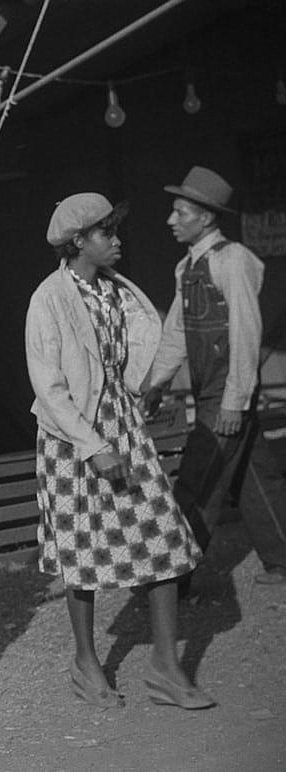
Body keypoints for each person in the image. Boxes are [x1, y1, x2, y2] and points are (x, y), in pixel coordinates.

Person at [25, 192, 212, 710]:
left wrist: (141, 394)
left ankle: (166, 670)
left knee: (165, 537)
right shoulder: (50, 298)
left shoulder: (116, 292)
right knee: (80, 549)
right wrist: (92, 445)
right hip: (73, 438)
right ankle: (87, 662)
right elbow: (49, 385)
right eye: (106, 232)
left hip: (124, 426)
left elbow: (134, 356)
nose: (116, 240)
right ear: (78, 241)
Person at [143, 165, 286, 587]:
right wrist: (158, 382)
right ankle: (281, 556)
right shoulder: (186, 268)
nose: (171, 221)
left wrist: (234, 401)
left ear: (205, 218)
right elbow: (177, 332)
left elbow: (246, 331)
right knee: (253, 473)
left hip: (225, 391)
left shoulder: (234, 261)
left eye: (180, 213)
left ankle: (172, 578)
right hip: (210, 388)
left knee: (199, 479)